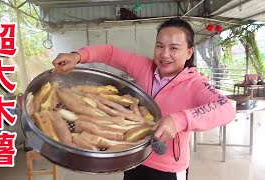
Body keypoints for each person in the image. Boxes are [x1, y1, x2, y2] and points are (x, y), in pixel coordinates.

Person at [52, 18, 236, 180]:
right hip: (134, 159)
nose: (164, 54)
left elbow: (225, 108)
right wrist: (77, 56)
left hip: (168, 170)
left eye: (174, 48)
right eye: (159, 46)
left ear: (189, 52)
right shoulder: (143, 67)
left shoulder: (195, 84)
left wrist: (179, 120)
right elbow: (109, 53)